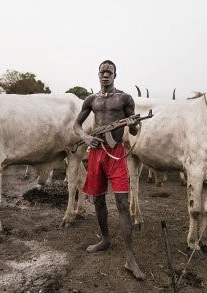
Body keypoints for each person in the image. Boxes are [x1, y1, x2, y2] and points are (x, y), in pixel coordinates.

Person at [73, 59, 146, 280]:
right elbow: (77, 125)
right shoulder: (91, 99)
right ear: (98, 75)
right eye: (102, 72)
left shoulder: (124, 98)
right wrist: (86, 137)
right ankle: (105, 239)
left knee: (123, 204)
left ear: (115, 75)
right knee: (97, 200)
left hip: (116, 155)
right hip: (96, 153)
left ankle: (130, 258)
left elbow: (133, 130)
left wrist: (132, 124)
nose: (105, 75)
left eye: (110, 72)